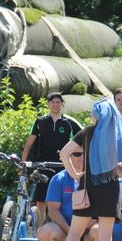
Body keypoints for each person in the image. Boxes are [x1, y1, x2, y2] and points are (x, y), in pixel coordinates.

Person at [54, 98, 122, 241]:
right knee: (105, 236)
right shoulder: (119, 135)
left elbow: (64, 153)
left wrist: (74, 174)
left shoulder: (87, 133)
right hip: (110, 189)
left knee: (74, 232)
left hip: (87, 188)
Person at [21, 92, 82, 223]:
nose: (55, 105)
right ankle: (39, 233)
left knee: (58, 202)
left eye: (58, 102)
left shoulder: (70, 122)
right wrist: (23, 164)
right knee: (41, 202)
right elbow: (28, 144)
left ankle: (59, 230)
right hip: (42, 165)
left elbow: (83, 140)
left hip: (62, 166)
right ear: (48, 104)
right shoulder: (40, 121)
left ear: (62, 105)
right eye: (53, 102)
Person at [36, 166, 101, 241]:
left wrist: (82, 228)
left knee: (101, 232)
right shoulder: (58, 179)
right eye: (75, 154)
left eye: (82, 154)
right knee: (44, 233)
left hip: (88, 230)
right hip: (65, 229)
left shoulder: (97, 177)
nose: (80, 157)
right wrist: (71, 230)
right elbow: (53, 211)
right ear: (67, 157)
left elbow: (102, 211)